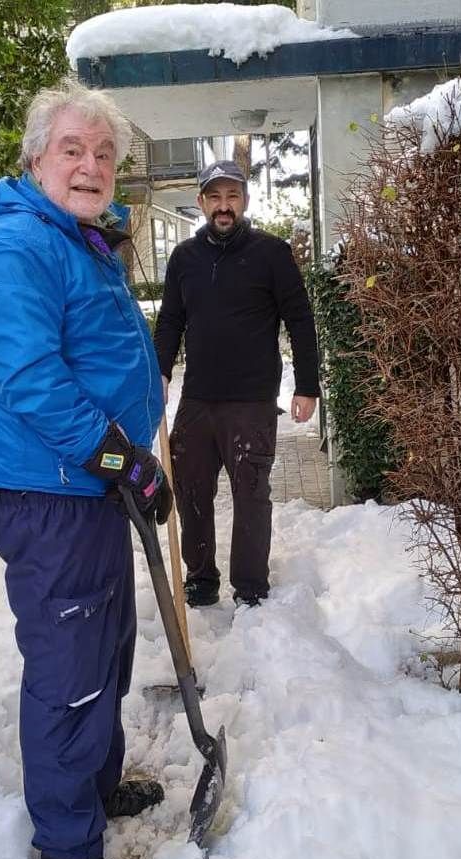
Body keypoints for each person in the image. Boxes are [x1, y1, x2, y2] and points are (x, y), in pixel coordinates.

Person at [0, 79, 171, 859]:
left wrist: (126, 463)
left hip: (86, 486)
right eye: (72, 150)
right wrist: (124, 460)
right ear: (36, 158)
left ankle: (92, 784)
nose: (90, 166)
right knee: (70, 674)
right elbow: (31, 382)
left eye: (104, 155)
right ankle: (67, 855)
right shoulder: (18, 248)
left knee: (105, 648)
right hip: (52, 494)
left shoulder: (74, 236)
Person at [154, 160, 321, 608]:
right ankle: (201, 577)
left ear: (245, 202)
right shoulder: (184, 260)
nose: (223, 207)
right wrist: (160, 372)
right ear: (201, 203)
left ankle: (250, 587)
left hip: (251, 401)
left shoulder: (271, 253)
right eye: (215, 197)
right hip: (198, 400)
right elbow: (170, 320)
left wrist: (307, 384)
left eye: (232, 197)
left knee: (250, 494)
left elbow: (300, 320)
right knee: (189, 490)